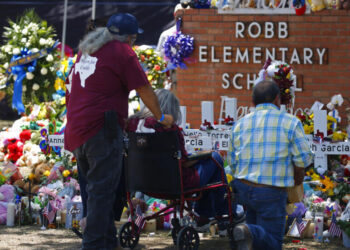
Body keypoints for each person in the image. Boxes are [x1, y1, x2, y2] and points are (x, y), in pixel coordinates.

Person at [64, 13, 173, 250]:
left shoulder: (87, 49)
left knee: (95, 193)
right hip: (101, 129)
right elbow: (144, 89)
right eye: (133, 38)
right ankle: (92, 245)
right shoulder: (122, 51)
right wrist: (162, 117)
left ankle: (107, 244)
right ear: (129, 37)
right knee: (102, 195)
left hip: (77, 130)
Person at [228, 80, 314, 250]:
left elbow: (232, 163)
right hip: (271, 191)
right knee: (273, 242)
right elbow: (303, 159)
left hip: (244, 189)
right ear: (277, 99)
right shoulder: (290, 122)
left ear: (252, 102)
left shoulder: (239, 124)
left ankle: (248, 232)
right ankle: (249, 231)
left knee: (252, 243)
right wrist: (297, 178)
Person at [126, 88, 229, 226]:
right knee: (215, 158)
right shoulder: (170, 130)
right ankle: (215, 214)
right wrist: (203, 154)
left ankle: (207, 214)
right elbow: (184, 163)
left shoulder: (133, 125)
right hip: (174, 183)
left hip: (143, 182)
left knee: (209, 163)